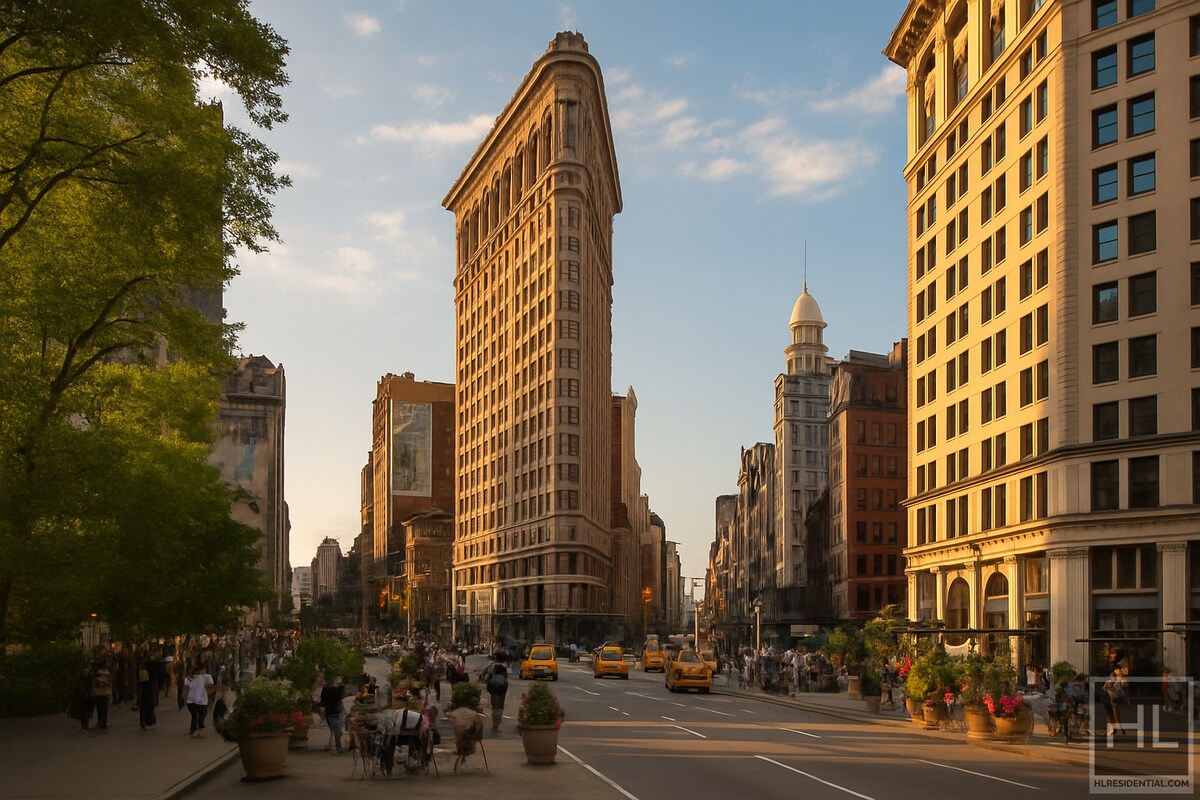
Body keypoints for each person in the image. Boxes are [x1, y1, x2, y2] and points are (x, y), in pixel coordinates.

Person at [184, 663, 214, 738]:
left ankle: (194, 730)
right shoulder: (206, 677)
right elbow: (211, 687)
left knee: (195, 716)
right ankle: (197, 729)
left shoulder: (189, 678)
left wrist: (186, 698)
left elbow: (186, 688)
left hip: (192, 700)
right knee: (201, 715)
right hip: (201, 701)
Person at [480, 655, 509, 734]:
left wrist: (490, 691)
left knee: (494, 707)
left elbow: (488, 680)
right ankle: (496, 724)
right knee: (499, 708)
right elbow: (506, 681)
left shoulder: (493, 668)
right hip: (501, 693)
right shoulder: (504, 669)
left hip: (493, 692)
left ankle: (494, 723)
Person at [321, 676, 346, 753]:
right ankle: (337, 746)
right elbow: (340, 696)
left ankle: (333, 745)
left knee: (334, 730)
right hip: (336, 711)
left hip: (329, 711)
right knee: (337, 730)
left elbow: (323, 700)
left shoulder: (325, 689)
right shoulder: (338, 689)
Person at [91, 662, 113, 730]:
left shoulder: (97, 674)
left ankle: (100, 722)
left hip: (98, 693)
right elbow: (110, 683)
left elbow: (95, 683)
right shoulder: (107, 674)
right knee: (104, 708)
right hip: (106, 692)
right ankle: (103, 723)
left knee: (100, 708)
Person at [137, 662, 157, 729]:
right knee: (147, 706)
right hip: (147, 691)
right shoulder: (146, 672)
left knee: (145, 707)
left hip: (146, 691)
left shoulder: (143, 672)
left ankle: (146, 721)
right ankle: (148, 720)